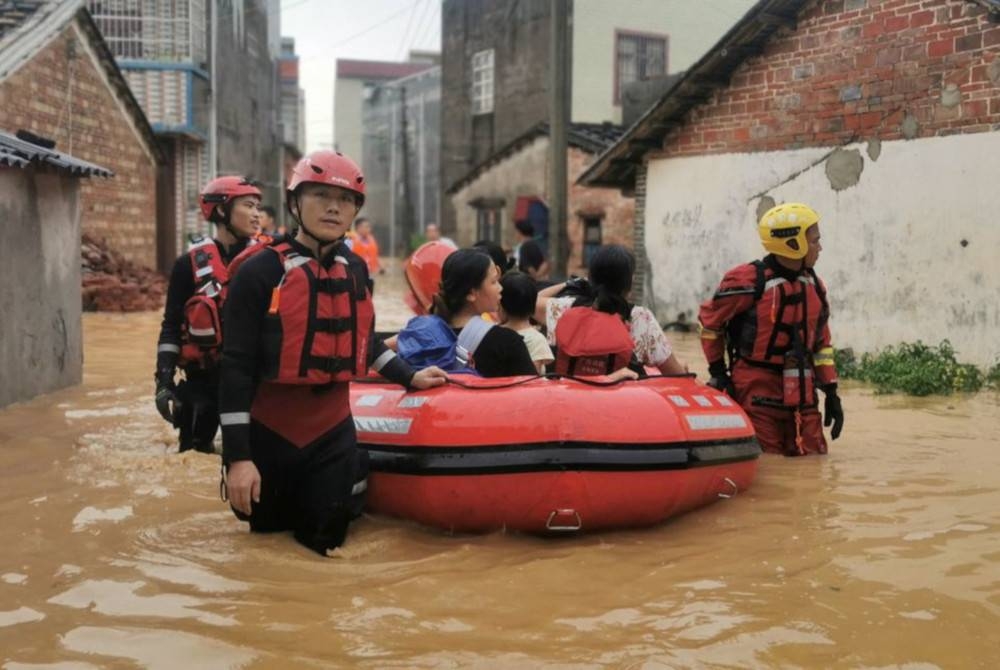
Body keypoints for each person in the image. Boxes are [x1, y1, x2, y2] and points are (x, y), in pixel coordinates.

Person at [217, 150, 447, 555]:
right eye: (321, 195)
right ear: (294, 203)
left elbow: (365, 341)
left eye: (345, 200)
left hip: (333, 436)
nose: (333, 207)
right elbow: (234, 367)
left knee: (323, 550)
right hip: (269, 435)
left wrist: (409, 376)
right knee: (266, 554)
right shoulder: (258, 273)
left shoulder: (355, 270)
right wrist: (238, 458)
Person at [697, 202, 843, 456]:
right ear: (793, 242)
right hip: (756, 389)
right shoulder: (748, 281)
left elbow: (821, 344)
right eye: (815, 240)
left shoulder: (815, 286)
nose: (820, 247)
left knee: (814, 459)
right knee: (767, 463)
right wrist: (718, 372)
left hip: (802, 390)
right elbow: (710, 323)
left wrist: (831, 391)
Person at [154, 176, 261, 453]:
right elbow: (170, 327)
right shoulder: (186, 266)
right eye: (248, 205)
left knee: (252, 457)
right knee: (192, 455)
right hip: (202, 381)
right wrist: (164, 382)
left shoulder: (266, 263)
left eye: (258, 207)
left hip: (251, 382)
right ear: (222, 210)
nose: (256, 214)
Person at [536, 244, 686, 377]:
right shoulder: (642, 319)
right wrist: (684, 369)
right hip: (620, 405)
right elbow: (675, 374)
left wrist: (570, 284)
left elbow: (530, 300)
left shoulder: (564, 309)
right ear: (629, 283)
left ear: (591, 278)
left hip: (571, 400)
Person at [396, 248, 537, 378]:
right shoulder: (507, 343)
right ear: (471, 294)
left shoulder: (420, 335)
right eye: (494, 282)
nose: (500, 288)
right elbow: (532, 395)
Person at [499, 271, 554, 374]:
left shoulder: (495, 333)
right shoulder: (537, 339)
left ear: (501, 305)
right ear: (534, 305)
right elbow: (532, 376)